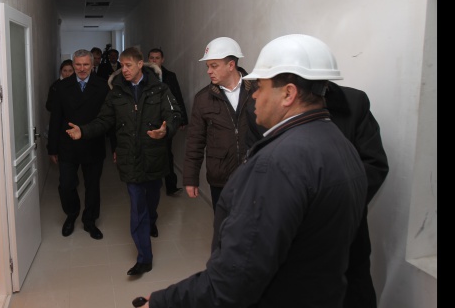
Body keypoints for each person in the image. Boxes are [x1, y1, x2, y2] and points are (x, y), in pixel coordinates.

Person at [136, 33, 367, 307]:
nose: (254, 95)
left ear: (288, 94)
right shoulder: (339, 142)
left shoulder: (278, 164)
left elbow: (235, 278)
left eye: (261, 87)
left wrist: (163, 302)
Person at [66, 47, 182, 276]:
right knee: (137, 207)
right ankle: (144, 258)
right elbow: (103, 120)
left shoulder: (160, 89)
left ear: (140, 64)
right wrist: (84, 131)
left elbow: (174, 114)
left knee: (151, 199)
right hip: (129, 158)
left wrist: (166, 129)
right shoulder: (116, 92)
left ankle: (152, 219)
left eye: (128, 65)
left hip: (153, 156)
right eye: (122, 65)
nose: (124, 70)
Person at [325, 81, 389, 308]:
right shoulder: (263, 107)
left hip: (348, 236)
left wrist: (331, 206)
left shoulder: (353, 103)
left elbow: (374, 165)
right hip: (294, 244)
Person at [182, 37, 263, 210]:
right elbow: (195, 141)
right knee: (224, 223)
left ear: (231, 65)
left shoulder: (259, 90)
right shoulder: (203, 99)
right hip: (221, 180)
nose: (209, 71)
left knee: (254, 222)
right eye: (208, 66)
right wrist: (191, 178)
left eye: (214, 66)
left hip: (254, 176)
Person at [47, 50, 110, 240]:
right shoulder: (61, 87)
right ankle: (71, 214)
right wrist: (52, 147)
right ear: (73, 65)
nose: (82, 69)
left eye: (86, 64)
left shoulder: (103, 86)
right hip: (67, 145)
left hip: (93, 143)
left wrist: (116, 147)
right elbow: (55, 118)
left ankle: (90, 220)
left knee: (93, 186)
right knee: (66, 185)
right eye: (78, 65)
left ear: (93, 65)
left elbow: (109, 118)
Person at [147, 48, 189, 196]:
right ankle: (152, 184)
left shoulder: (170, 76)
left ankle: (171, 186)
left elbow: (177, 96)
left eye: (157, 58)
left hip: (166, 121)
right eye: (151, 58)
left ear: (162, 60)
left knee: (166, 153)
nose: (154, 60)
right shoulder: (143, 76)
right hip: (148, 121)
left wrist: (182, 118)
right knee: (151, 153)